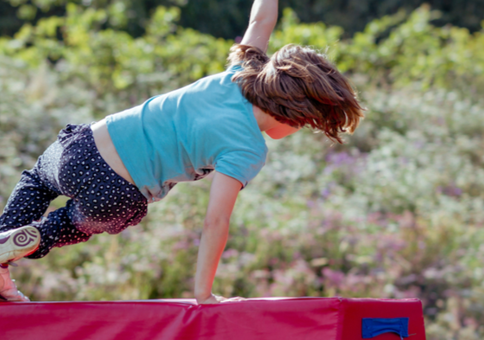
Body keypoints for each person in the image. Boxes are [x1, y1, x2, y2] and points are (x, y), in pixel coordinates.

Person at [0, 0, 364, 303]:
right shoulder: (246, 148)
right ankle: (38, 236)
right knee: (74, 223)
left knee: (36, 182)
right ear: (297, 116)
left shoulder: (238, 73)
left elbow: (261, 18)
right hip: (117, 195)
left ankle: (4, 250)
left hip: (82, 150)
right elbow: (215, 222)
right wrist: (204, 294)